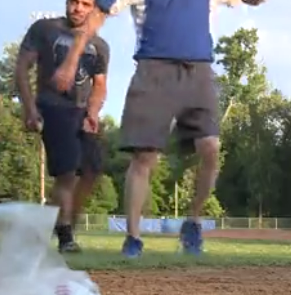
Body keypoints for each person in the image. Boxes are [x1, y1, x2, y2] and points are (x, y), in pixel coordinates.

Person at [51, 0, 265, 258]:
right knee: (144, 156)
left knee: (210, 147)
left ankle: (193, 222)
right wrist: (72, 59)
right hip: (153, 68)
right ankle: (133, 238)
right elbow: (99, 13)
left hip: (198, 69)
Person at [15, 0, 109, 253]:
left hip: (81, 112)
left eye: (85, 4)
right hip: (53, 106)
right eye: (73, 2)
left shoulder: (99, 45)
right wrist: (30, 108)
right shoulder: (45, 28)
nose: (77, 9)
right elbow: (22, 68)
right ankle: (66, 237)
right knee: (67, 172)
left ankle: (44, 226)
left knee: (92, 170)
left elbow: (99, 84)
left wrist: (93, 111)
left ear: (94, 9)